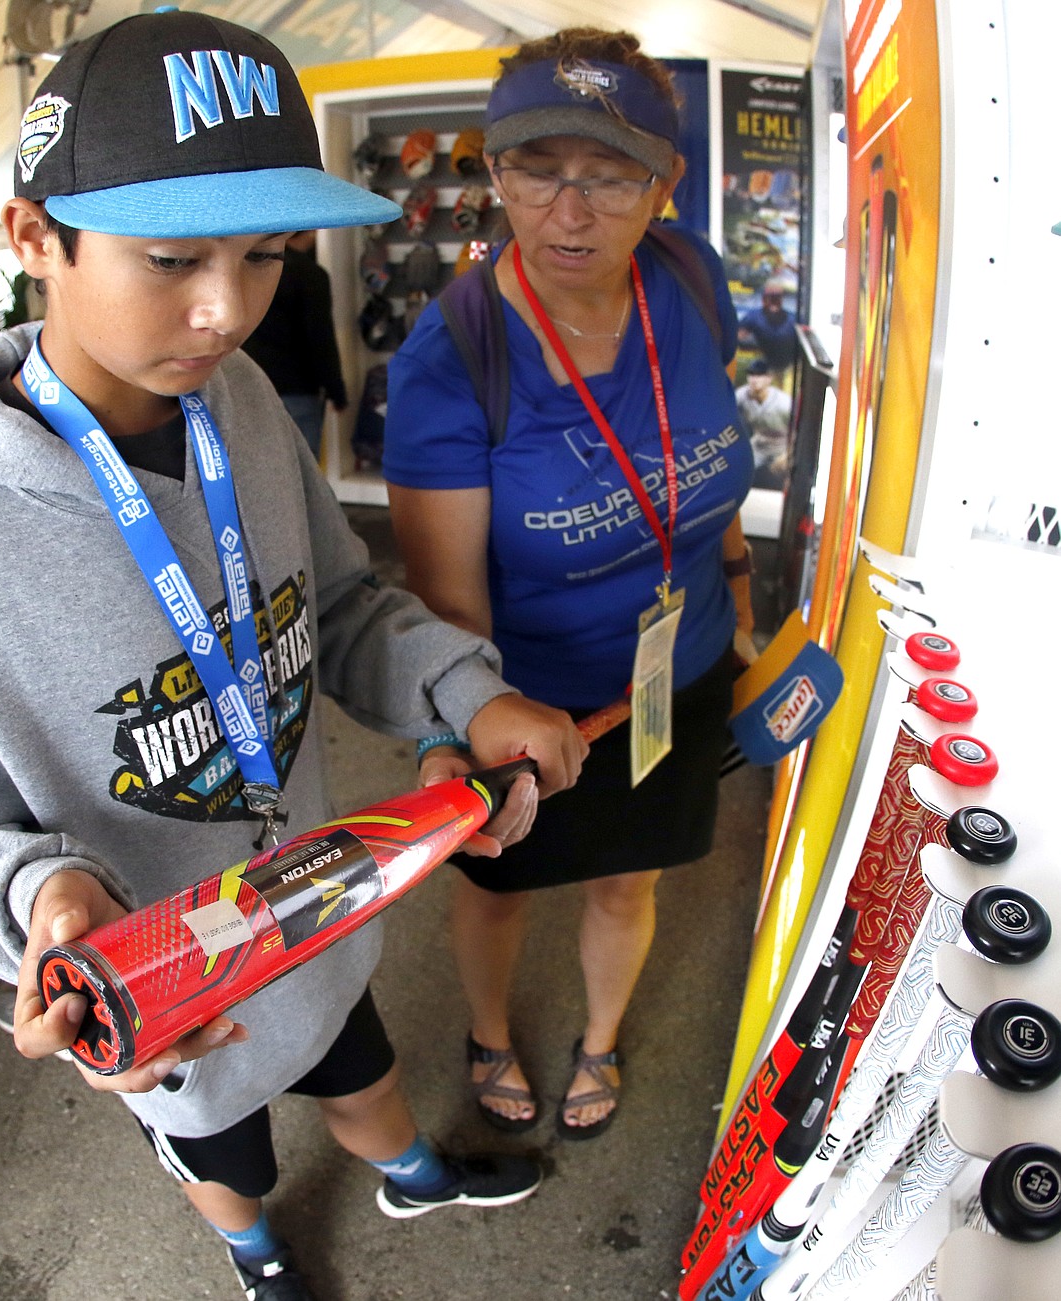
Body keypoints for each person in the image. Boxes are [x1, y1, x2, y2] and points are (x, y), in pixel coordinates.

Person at [0, 13, 590, 1301]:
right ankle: (259, 1254)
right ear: (35, 235)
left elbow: (335, 608)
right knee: (222, 1150)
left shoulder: (245, 403)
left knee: (360, 1066)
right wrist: (41, 907)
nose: (226, 309)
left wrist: (466, 692)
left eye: (266, 254)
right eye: (171, 256)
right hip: (169, 993)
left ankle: (413, 1171)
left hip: (324, 910)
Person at [383, 28, 755, 1141]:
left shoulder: (692, 279)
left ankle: (599, 1039)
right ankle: (489, 1031)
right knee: (501, 886)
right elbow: (445, 600)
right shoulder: (454, 358)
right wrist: (451, 736)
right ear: (493, 171)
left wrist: (738, 598)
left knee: (628, 878)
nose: (570, 212)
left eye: (609, 175)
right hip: (530, 708)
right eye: (536, 170)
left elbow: (707, 456)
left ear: (666, 184)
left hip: (676, 674)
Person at [242, 230, 347, 459]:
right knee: (303, 471)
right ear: (311, 231)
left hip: (249, 384)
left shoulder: (248, 267)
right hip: (298, 387)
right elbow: (320, 338)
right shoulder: (310, 273)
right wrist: (336, 390)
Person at [736, 357, 793, 490]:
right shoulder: (741, 396)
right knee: (737, 466)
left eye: (759, 375)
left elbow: (801, 431)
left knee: (789, 474)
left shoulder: (784, 403)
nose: (754, 379)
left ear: (769, 378)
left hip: (783, 444)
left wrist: (788, 455)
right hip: (760, 442)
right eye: (751, 374)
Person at [737, 279, 797, 379]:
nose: (773, 301)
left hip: (789, 369)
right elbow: (736, 338)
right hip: (765, 369)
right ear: (764, 298)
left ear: (782, 299)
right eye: (770, 297)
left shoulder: (793, 320)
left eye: (777, 297)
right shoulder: (753, 317)